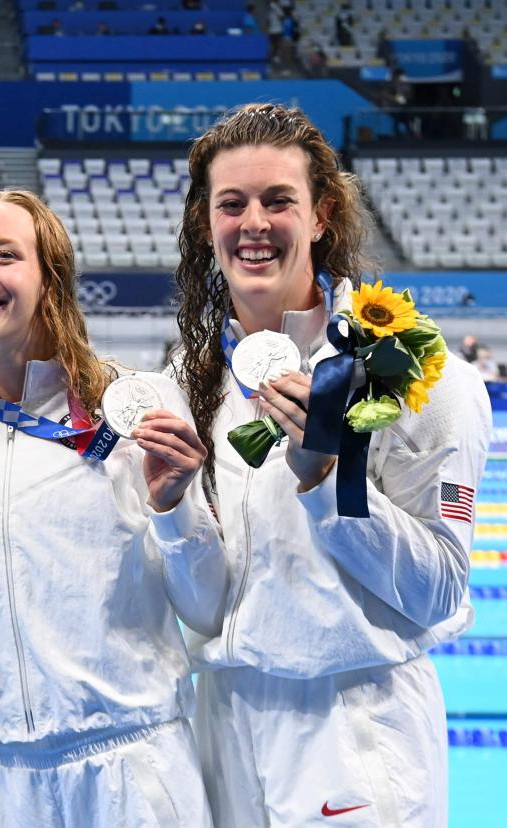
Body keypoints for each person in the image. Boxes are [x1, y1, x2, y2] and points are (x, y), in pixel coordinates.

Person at [170, 103, 491, 826]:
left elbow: (440, 587)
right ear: (205, 224)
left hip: (354, 731)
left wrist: (326, 478)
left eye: (278, 200)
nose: (254, 223)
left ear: (322, 215)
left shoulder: (421, 374)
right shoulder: (196, 382)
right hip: (223, 723)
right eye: (232, 203)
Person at [0, 190, 225, 826]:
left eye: (4, 255)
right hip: (1, 778)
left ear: (51, 280)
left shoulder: (134, 403)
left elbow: (206, 608)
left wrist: (175, 507)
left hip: (132, 766)